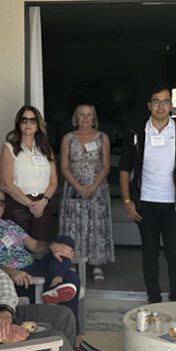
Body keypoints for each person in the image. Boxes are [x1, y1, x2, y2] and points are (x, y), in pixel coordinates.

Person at [0, 184, 104, 351]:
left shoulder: (10, 226)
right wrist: (10, 271)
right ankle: (74, 337)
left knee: (65, 241)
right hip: (14, 279)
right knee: (72, 277)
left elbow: (36, 246)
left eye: (0, 202)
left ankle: (55, 282)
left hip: (33, 267)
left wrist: (53, 246)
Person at [119, 84, 176, 302]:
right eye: (156, 101)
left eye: (165, 101)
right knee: (150, 252)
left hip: (174, 203)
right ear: (149, 105)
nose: (161, 106)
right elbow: (125, 168)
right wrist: (127, 201)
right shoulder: (136, 132)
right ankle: (153, 298)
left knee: (174, 252)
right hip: (145, 202)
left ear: (171, 105)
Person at [59, 102, 114, 284]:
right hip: (73, 189)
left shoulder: (102, 138)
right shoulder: (68, 138)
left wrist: (91, 187)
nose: (84, 118)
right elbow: (64, 166)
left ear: (94, 118)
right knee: (73, 225)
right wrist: (78, 187)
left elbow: (106, 166)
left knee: (95, 226)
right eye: (81, 114)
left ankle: (96, 265)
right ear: (75, 118)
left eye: (88, 114)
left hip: (97, 190)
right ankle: (72, 264)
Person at [0, 105, 57, 241]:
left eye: (32, 120)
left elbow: (54, 182)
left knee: (39, 247)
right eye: (24, 120)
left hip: (43, 205)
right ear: (19, 124)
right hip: (17, 205)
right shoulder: (9, 148)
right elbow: (6, 183)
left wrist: (43, 202)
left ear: (38, 125)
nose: (28, 124)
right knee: (18, 249)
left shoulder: (46, 149)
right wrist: (30, 204)